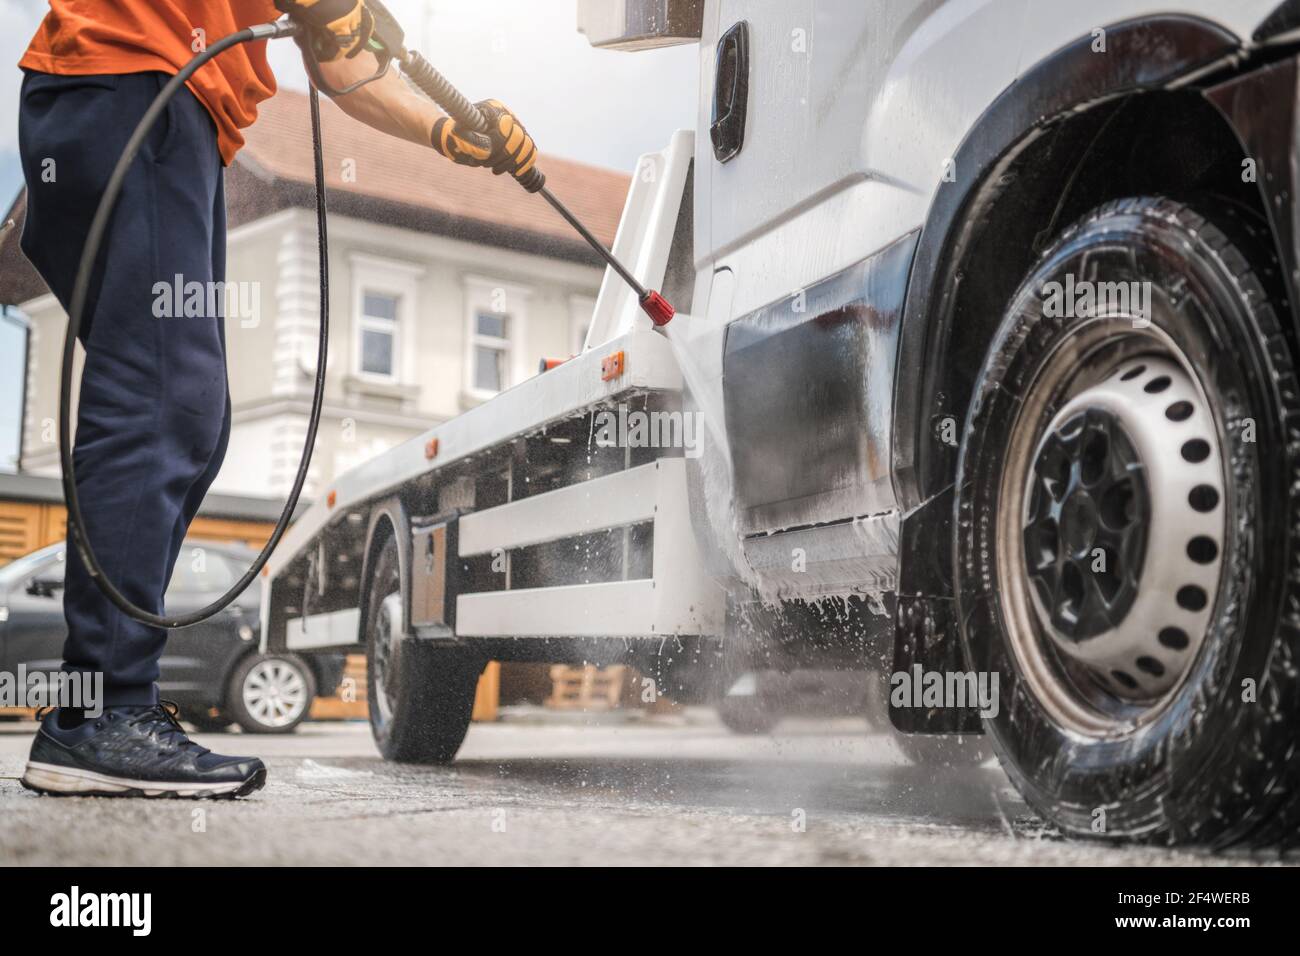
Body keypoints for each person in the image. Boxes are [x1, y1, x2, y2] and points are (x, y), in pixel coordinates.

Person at [15, 0, 537, 798]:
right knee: (162, 401)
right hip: (132, 79)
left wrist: (450, 131)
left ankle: (98, 713)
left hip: (142, 105)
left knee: (189, 415)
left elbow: (344, 61)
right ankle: (100, 719)